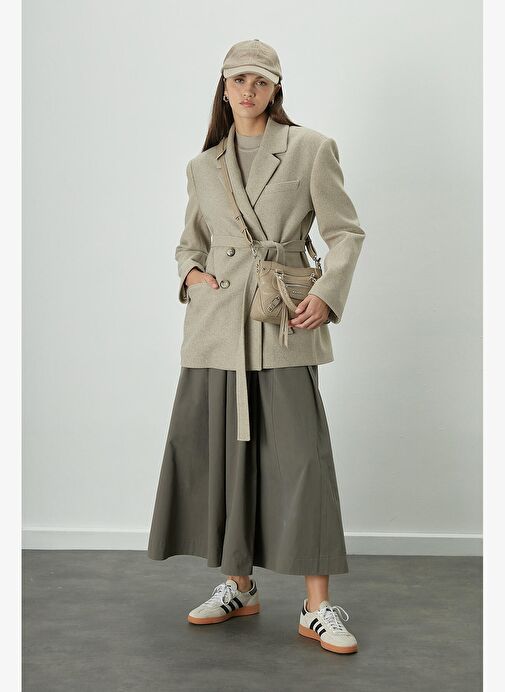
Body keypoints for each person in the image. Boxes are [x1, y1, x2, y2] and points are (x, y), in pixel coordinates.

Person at [147, 39, 365, 656]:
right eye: (239, 79)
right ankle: (238, 586)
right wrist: (193, 275)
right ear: (224, 86)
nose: (248, 90)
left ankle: (317, 606)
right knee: (225, 457)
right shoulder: (203, 165)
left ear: (275, 89)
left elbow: (346, 233)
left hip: (281, 318)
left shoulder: (310, 148)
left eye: (260, 81)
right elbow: (189, 243)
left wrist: (326, 294)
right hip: (217, 328)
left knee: (302, 461)